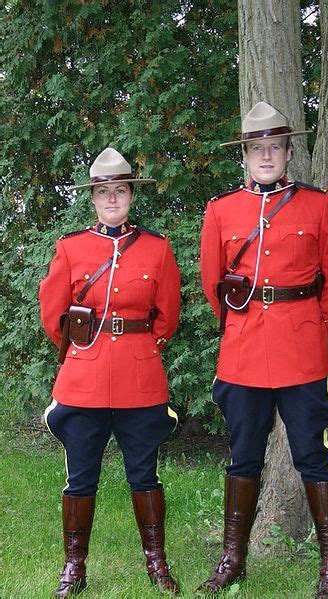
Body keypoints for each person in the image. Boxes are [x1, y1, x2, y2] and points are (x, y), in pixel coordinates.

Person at [198, 102, 328, 598]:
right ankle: (233, 558)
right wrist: (239, 327)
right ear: (244, 154)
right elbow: (212, 284)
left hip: (303, 350)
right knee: (243, 457)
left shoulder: (318, 205)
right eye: (256, 147)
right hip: (243, 351)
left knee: (312, 454)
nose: (266, 155)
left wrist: (312, 326)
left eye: (275, 146)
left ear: (288, 151)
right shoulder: (221, 211)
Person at [40, 147, 181, 596]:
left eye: (120, 191)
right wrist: (82, 349)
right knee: (80, 477)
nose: (113, 200)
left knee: (145, 475)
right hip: (84, 381)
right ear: (94, 199)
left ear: (130, 196)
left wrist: (143, 348)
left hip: (140, 379)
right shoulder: (71, 247)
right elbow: (52, 314)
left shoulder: (157, 249)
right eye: (104, 193)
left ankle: (156, 564)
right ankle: (74, 567)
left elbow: (168, 316)